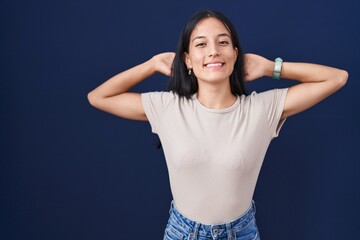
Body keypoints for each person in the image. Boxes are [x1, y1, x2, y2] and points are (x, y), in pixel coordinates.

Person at [87, 10, 348, 240]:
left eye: (223, 42)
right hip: (181, 233)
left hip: (241, 233)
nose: (213, 50)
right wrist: (152, 64)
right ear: (187, 60)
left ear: (235, 55)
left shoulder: (261, 109)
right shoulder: (168, 107)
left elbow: (336, 78)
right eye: (201, 44)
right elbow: (98, 97)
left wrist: (271, 68)